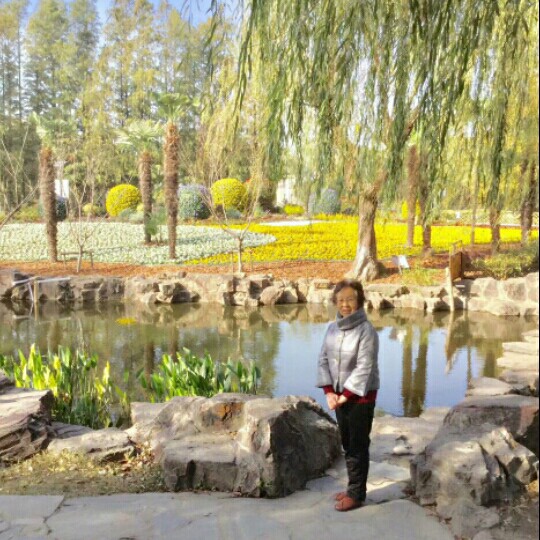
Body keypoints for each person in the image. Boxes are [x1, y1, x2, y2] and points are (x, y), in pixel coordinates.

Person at [316, 279, 380, 511]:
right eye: (341, 300)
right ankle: (353, 488)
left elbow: (364, 367)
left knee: (357, 444)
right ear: (335, 302)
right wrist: (329, 392)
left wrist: (345, 396)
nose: (345, 304)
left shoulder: (367, 331)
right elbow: (323, 359)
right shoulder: (332, 328)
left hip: (361, 397)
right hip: (339, 397)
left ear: (359, 301)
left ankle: (356, 495)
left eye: (350, 299)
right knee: (347, 443)